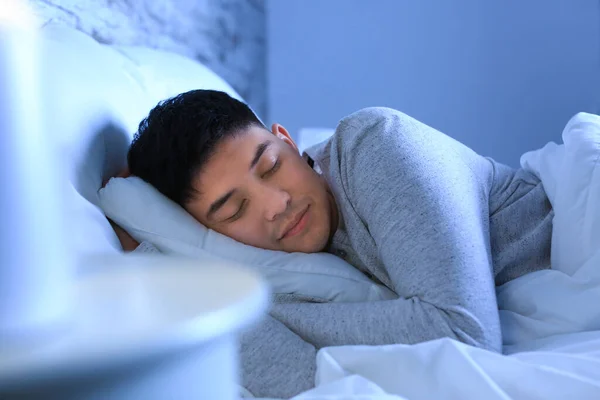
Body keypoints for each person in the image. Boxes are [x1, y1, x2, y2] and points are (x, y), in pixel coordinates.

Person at [111, 89, 553, 398]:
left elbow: (463, 338)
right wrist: (164, 262)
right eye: (233, 211)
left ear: (285, 139)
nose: (277, 203)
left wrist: (244, 311)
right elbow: (307, 383)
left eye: (270, 166)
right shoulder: (279, 271)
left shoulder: (374, 144)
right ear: (204, 233)